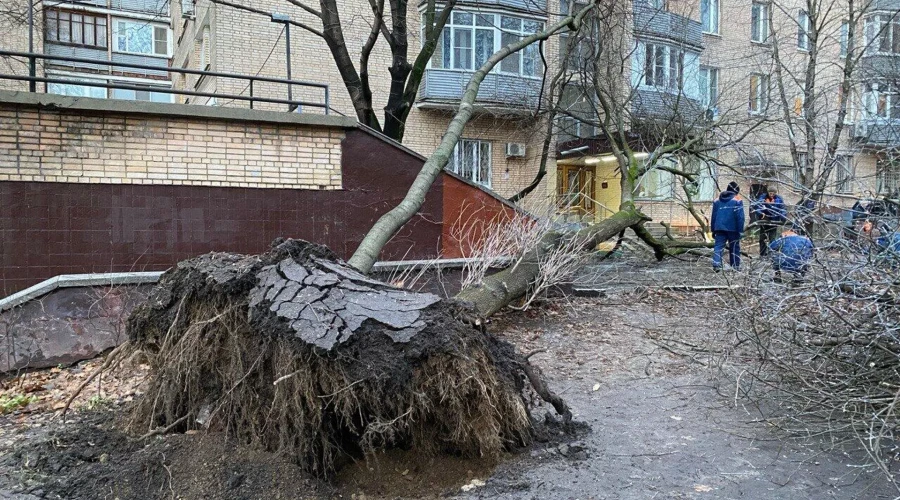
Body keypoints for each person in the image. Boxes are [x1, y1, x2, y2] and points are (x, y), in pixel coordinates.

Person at [711, 181, 746, 272]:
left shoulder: (717, 200)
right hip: (733, 228)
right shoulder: (738, 199)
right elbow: (740, 216)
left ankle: (716, 264)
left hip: (719, 227)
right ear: (736, 191)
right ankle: (735, 266)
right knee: (734, 247)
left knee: (718, 246)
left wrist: (713, 229)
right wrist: (740, 230)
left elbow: (714, 215)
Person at [755, 186, 787, 256]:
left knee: (772, 239)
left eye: (773, 193)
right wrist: (761, 213)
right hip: (764, 221)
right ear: (768, 192)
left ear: (775, 193)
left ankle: (771, 254)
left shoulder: (779, 199)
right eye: (770, 193)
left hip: (774, 222)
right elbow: (758, 206)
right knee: (762, 239)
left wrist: (783, 217)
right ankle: (762, 254)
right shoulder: (763, 197)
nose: (771, 194)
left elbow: (782, 209)